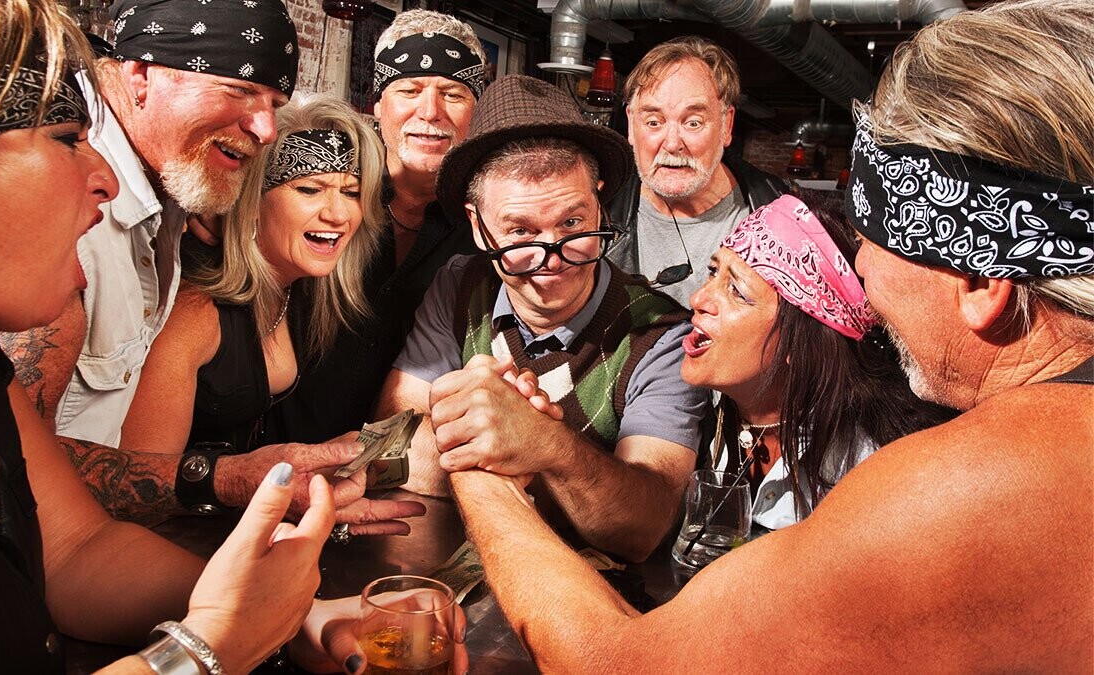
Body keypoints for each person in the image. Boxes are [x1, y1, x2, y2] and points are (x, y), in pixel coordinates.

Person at [447, 0, 1093, 669]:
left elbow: (619, 664)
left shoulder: (963, 488)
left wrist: (483, 474)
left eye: (875, 246)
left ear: (982, 283)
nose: (862, 278)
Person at [0, 2, 333, 671]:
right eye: (67, 137)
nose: (103, 177)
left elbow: (77, 551)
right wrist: (206, 649)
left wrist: (290, 611)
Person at [0, 0, 399, 526]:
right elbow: (5, 463)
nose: (266, 128)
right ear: (139, 76)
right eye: (239, 89)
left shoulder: (171, 208)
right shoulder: (69, 218)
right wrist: (231, 480)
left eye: (275, 102)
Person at [378, 75, 707, 562]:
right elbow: (390, 442)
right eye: (520, 232)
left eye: (572, 223)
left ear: (600, 203)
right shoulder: (458, 285)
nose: (552, 258)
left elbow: (641, 528)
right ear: (477, 224)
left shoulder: (662, 334)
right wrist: (521, 453)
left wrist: (543, 441)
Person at [117, 95, 424, 532]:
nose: (338, 213)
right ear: (252, 199)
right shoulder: (194, 309)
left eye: (352, 193)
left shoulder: (299, 290)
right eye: (309, 189)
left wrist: (312, 478)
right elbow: (137, 491)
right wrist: (250, 488)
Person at [264, 9, 485, 445]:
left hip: (399, 466)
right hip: (270, 455)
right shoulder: (320, 191)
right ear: (379, 104)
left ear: (475, 110)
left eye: (453, 94)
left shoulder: (485, 224)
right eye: (409, 90)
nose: (430, 111)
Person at [682, 192, 953, 529]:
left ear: (799, 343)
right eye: (713, 272)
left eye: (737, 292)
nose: (698, 298)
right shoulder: (690, 412)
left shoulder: (873, 474)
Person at [605, 36, 788, 304]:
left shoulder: (780, 214)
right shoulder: (598, 209)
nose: (672, 144)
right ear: (632, 125)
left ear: (726, 126)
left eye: (693, 123)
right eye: (654, 122)